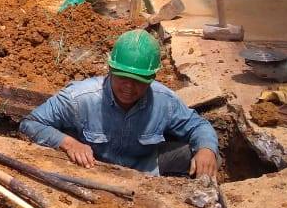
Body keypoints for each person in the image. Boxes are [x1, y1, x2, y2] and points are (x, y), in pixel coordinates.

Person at [19, 29, 219, 177]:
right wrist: (69, 144)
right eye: (123, 78)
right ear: (110, 69)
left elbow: (198, 126)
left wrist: (207, 150)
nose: (129, 87)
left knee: (207, 157)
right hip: (91, 168)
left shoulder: (164, 101)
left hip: (145, 168)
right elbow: (31, 123)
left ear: (152, 77)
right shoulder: (80, 99)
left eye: (139, 81)